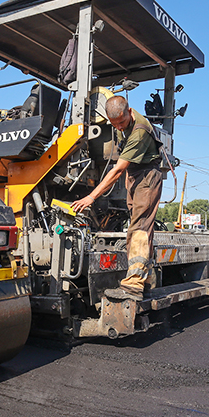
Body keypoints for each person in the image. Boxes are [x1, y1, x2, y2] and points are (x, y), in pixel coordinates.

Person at [71, 95, 163, 301]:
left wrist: (91, 197)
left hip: (147, 177)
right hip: (137, 176)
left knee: (138, 228)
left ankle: (134, 283)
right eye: (114, 124)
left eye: (121, 122)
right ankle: (144, 281)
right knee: (140, 229)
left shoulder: (139, 131)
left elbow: (118, 170)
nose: (119, 127)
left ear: (129, 112)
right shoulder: (123, 125)